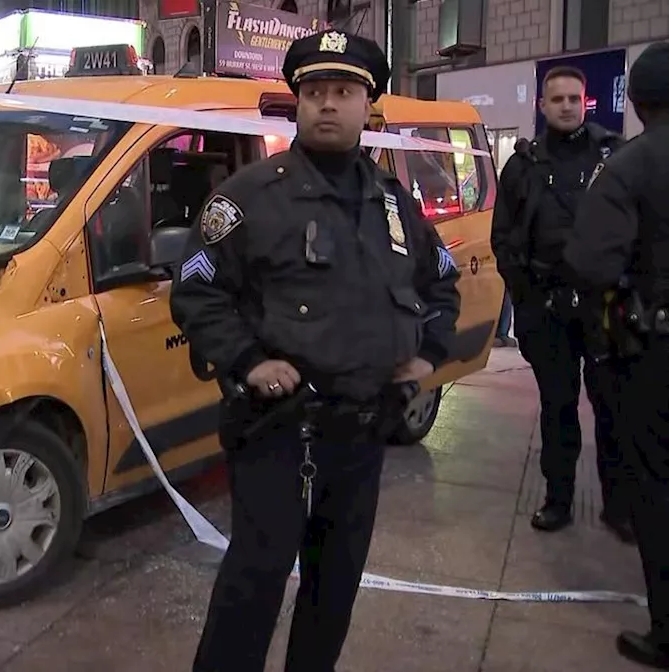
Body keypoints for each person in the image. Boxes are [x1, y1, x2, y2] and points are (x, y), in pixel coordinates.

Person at [169, 29, 461, 672]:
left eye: (345, 91)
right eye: (316, 92)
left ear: (368, 106)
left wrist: (428, 354)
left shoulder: (392, 204)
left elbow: (441, 281)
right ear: (297, 104)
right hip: (279, 433)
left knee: (334, 591)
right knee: (254, 584)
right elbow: (195, 290)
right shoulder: (250, 197)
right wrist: (249, 361)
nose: (329, 103)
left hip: (361, 435)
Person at [489, 65, 632, 540]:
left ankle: (619, 506)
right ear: (543, 105)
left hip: (604, 307)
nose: (567, 106)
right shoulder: (523, 164)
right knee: (558, 407)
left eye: (575, 98)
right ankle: (559, 498)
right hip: (546, 309)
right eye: (558, 99)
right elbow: (504, 240)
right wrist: (529, 301)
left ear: (585, 101)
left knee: (612, 407)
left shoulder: (613, 157)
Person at [563, 40, 669, 669]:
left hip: (653, 353)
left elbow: (590, 261)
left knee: (655, 484)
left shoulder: (628, 166)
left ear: (637, 100)